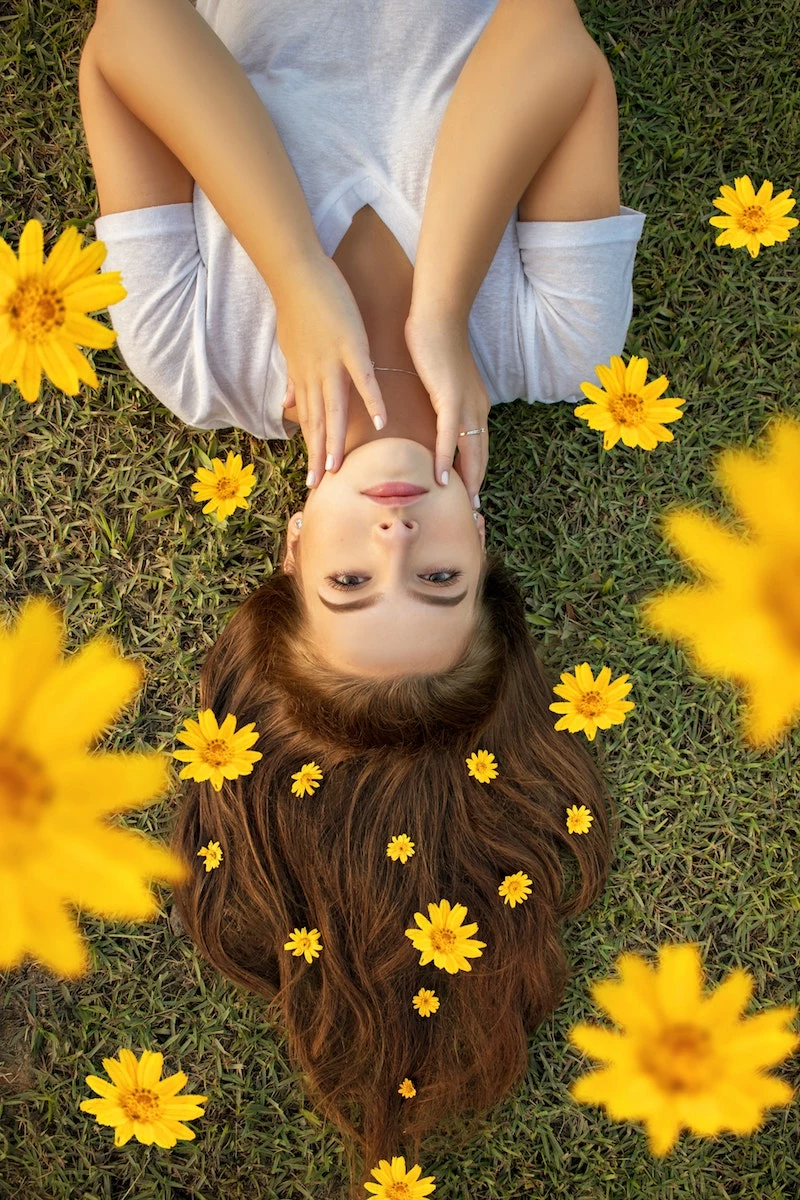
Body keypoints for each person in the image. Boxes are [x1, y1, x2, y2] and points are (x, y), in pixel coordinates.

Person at [79, 0, 645, 1193]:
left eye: (348, 582)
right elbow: (549, 35)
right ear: (482, 552)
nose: (394, 532)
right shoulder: (555, 343)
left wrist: (293, 276)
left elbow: (127, 31)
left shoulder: (192, 358)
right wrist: (442, 306)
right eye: (435, 579)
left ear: (289, 551)